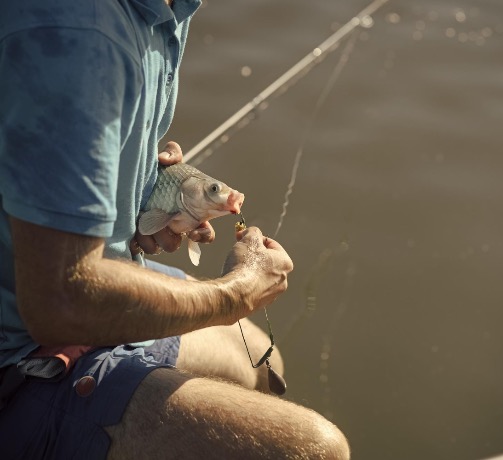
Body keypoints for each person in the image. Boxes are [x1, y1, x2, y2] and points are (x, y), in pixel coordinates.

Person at [0, 0, 350, 458]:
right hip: (24, 347)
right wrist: (237, 293)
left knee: (261, 362)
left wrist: (130, 201)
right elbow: (62, 301)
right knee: (316, 449)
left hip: (68, 282)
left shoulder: (166, 9)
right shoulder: (80, 34)